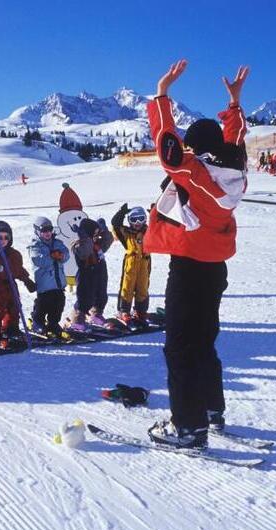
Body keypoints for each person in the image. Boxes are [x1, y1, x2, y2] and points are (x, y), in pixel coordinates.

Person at [143, 59, 250, 448]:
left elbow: (167, 148)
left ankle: (187, 427)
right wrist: (234, 104)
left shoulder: (196, 171)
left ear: (196, 147)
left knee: (179, 347)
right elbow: (235, 141)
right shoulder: (235, 170)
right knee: (203, 342)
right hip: (214, 268)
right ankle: (210, 410)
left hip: (188, 267)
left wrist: (162, 94)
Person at [0, 221, 36, 347]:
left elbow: (18, 269)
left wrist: (27, 280)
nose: (3, 240)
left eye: (6, 237)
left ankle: (11, 329)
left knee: (15, 308)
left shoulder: (13, 254)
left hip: (11, 285)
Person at [68, 217, 113, 331]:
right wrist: (85, 237)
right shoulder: (78, 244)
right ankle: (77, 319)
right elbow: (85, 252)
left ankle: (96, 314)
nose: (96, 236)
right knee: (85, 299)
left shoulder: (95, 243)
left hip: (99, 272)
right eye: (94, 233)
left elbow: (109, 241)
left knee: (101, 296)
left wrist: (104, 231)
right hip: (86, 275)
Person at [27, 216, 70, 337]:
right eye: (44, 230)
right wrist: (53, 256)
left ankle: (53, 323)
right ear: (37, 231)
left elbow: (66, 255)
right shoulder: (35, 246)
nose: (47, 233)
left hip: (58, 283)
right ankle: (37, 322)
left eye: (49, 229)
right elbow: (38, 261)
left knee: (59, 303)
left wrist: (61, 256)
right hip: (45, 284)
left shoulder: (57, 243)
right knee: (43, 304)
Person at [111, 204, 151, 324]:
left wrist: (155, 213)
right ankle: (124, 311)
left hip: (144, 261)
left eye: (141, 218)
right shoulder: (126, 233)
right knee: (127, 286)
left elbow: (160, 228)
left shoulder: (149, 231)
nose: (137, 222)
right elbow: (115, 225)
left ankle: (140, 310)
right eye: (134, 219)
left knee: (143, 287)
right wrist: (121, 213)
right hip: (131, 262)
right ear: (129, 221)